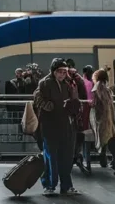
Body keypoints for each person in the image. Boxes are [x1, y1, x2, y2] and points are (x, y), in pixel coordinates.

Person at [34, 58, 81, 196]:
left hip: (66, 124)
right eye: (60, 72)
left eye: (64, 72)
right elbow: (37, 98)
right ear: (54, 71)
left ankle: (66, 185)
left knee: (66, 157)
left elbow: (75, 99)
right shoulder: (44, 83)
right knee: (51, 157)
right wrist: (50, 107)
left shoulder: (68, 83)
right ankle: (49, 184)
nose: (62, 74)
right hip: (50, 125)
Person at [91, 68, 115, 168]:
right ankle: (110, 160)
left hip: (101, 117)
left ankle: (104, 160)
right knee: (107, 138)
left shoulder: (97, 88)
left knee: (103, 139)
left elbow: (96, 103)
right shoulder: (105, 88)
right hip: (107, 116)